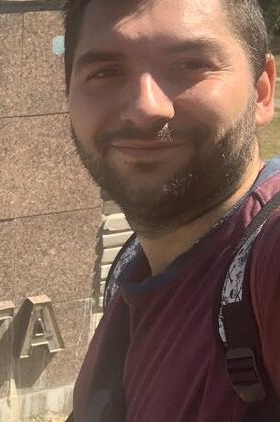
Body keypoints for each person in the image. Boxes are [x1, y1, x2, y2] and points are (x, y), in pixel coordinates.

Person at [64, 0, 280, 421]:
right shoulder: (134, 267)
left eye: (189, 65)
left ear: (261, 91)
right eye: (106, 72)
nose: (146, 108)